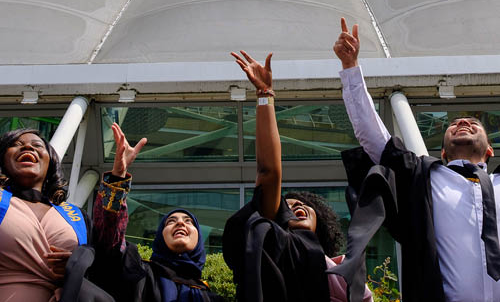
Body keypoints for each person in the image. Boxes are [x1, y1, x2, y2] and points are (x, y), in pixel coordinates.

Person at [334, 17, 500, 302]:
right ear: (443, 154)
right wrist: (350, 69)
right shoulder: (425, 179)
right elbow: (375, 138)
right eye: (454, 123)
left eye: (472, 122)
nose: (461, 122)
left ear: (490, 151)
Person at [223, 51, 373, 302]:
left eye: (303, 205)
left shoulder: (346, 272)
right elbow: (268, 172)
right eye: (288, 206)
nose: (297, 206)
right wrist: (265, 96)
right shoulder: (275, 247)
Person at [92, 123, 225, 302]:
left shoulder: (212, 297)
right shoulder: (139, 274)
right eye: (171, 221)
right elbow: (109, 240)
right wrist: (118, 176)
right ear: (160, 238)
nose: (180, 223)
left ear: (199, 239)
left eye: (188, 221)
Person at [0, 127, 113, 301]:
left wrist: (76, 269)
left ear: (50, 161)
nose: (28, 147)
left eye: (37, 145)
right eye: (16, 144)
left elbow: (110, 254)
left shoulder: (76, 217)